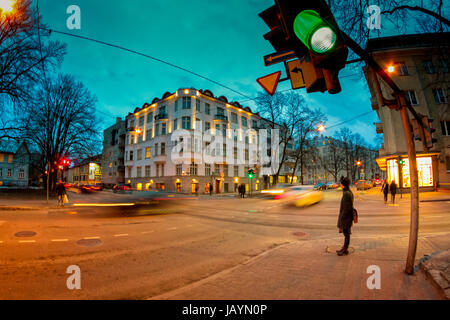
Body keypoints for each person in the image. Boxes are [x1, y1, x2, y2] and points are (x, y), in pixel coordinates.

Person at [337, 177, 354, 256]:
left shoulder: (347, 193)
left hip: (346, 217)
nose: (340, 185)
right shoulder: (347, 192)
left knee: (346, 233)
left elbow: (346, 208)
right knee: (346, 233)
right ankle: (344, 248)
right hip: (347, 217)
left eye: (341, 183)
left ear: (343, 185)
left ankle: (345, 249)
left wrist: (342, 218)